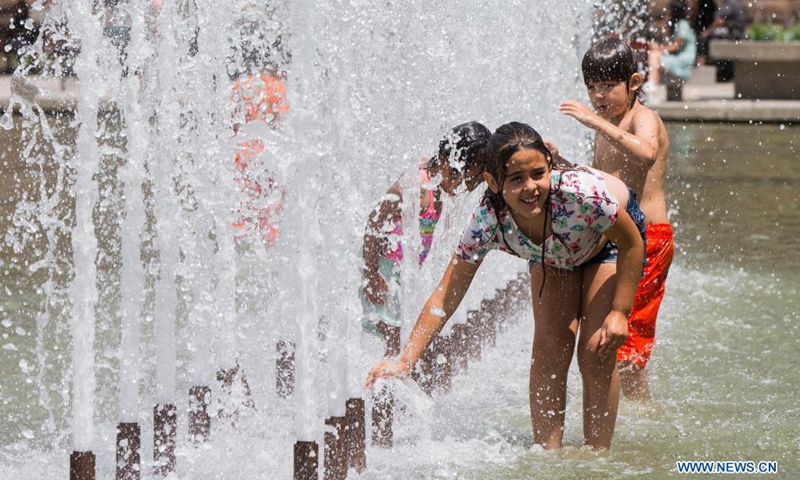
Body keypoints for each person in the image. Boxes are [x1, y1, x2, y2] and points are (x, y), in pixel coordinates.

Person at [366, 122, 646, 450]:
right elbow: (446, 292)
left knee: (595, 348)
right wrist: (405, 360)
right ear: (493, 183)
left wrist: (619, 311)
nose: (530, 187)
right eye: (516, 179)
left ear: (550, 167)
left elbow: (632, 243)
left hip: (607, 245)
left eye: (538, 173)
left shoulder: (579, 195)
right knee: (549, 350)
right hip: (553, 252)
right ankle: (548, 455)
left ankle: (598, 455)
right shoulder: (488, 221)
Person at [560, 37, 674, 402]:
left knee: (627, 339)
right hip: (619, 239)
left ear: (635, 83)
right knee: (609, 333)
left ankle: (642, 413)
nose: (598, 96)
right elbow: (601, 183)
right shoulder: (608, 125)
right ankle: (628, 409)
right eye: (592, 87)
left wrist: (595, 122)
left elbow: (646, 153)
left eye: (608, 86)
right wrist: (559, 163)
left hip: (650, 239)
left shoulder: (644, 119)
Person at [361, 121, 491, 355]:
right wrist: (370, 274)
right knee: (393, 332)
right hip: (383, 269)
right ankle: (386, 380)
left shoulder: (439, 186)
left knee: (395, 331)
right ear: (443, 160)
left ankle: (385, 376)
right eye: (458, 176)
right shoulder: (416, 184)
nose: (462, 185)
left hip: (399, 272)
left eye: (470, 181)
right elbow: (374, 222)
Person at [644, 0, 697, 92]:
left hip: (684, 58)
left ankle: (652, 82)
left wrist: (659, 49)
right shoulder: (677, 24)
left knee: (655, 55)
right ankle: (652, 82)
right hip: (678, 56)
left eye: (669, 9)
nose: (667, 11)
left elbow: (676, 46)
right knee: (654, 55)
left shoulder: (683, 25)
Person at [696, 0, 746, 66]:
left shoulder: (730, 3)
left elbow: (719, 21)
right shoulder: (737, 2)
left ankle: (701, 63)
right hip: (737, 32)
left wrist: (707, 32)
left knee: (702, 39)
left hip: (733, 33)